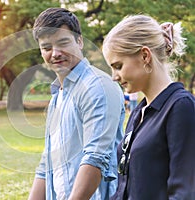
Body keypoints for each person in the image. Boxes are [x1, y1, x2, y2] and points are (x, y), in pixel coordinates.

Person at [28, 8, 125, 200]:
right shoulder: (58, 94)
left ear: (79, 41)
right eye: (47, 48)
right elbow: (47, 165)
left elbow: (95, 159)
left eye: (63, 43)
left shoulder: (98, 87)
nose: (55, 53)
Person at [102, 14, 195, 200]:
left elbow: (185, 193)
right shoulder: (139, 113)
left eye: (118, 66)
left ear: (145, 55)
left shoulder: (181, 107)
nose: (114, 76)